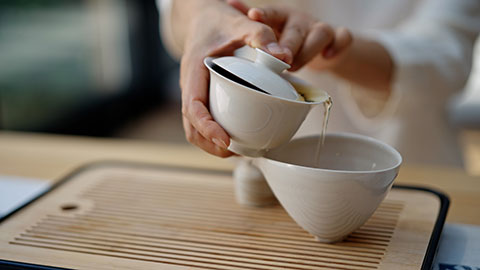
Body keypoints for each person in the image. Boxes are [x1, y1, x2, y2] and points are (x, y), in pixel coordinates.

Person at [157, 0, 480, 166]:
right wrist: (204, 14)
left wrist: (337, 53)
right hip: (249, 156)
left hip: (413, 161)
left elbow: (447, 51)